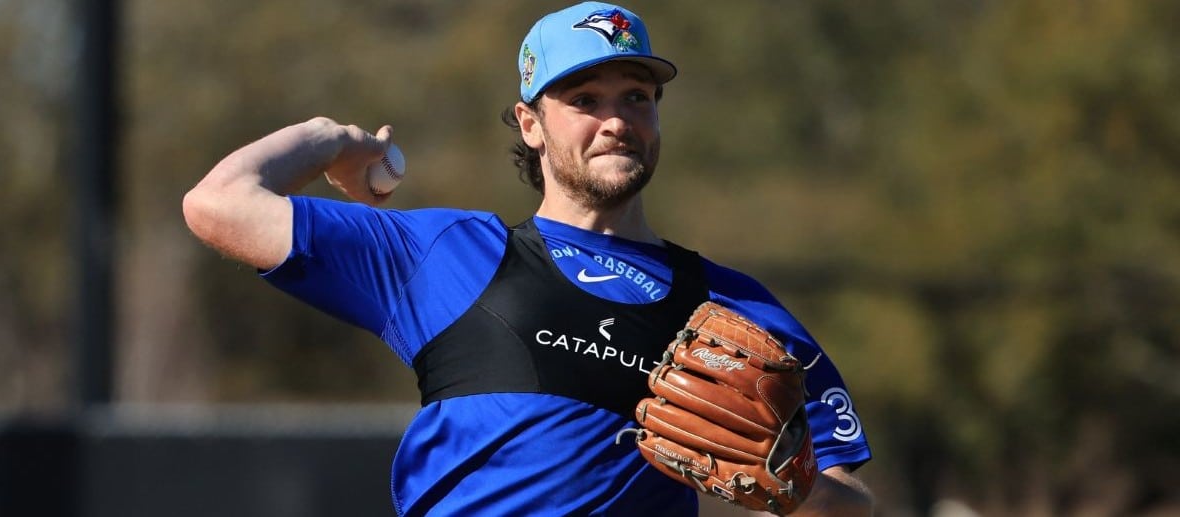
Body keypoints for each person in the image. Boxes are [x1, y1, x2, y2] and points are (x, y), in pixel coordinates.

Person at [183, 2, 874, 515]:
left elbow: (851, 500)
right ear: (529, 123)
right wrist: (327, 137)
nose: (616, 119)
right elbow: (219, 203)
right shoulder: (446, 255)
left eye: (637, 97)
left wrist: (797, 480)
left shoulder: (733, 309)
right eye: (584, 99)